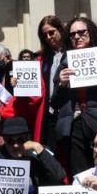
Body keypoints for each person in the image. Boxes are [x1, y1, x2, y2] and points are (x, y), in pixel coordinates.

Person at [52, 16, 97, 177]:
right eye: (72, 34)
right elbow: (54, 103)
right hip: (74, 125)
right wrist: (62, 85)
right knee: (80, 175)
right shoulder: (64, 64)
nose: (77, 37)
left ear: (91, 34)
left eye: (81, 32)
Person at [0, 43, 44, 144]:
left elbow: (28, 98)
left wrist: (2, 113)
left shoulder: (23, 69)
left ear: (8, 57)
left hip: (18, 122)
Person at [36, 15, 66, 150]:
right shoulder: (43, 59)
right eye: (44, 35)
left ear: (60, 30)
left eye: (51, 32)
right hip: (49, 114)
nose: (48, 37)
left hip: (67, 111)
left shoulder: (72, 53)